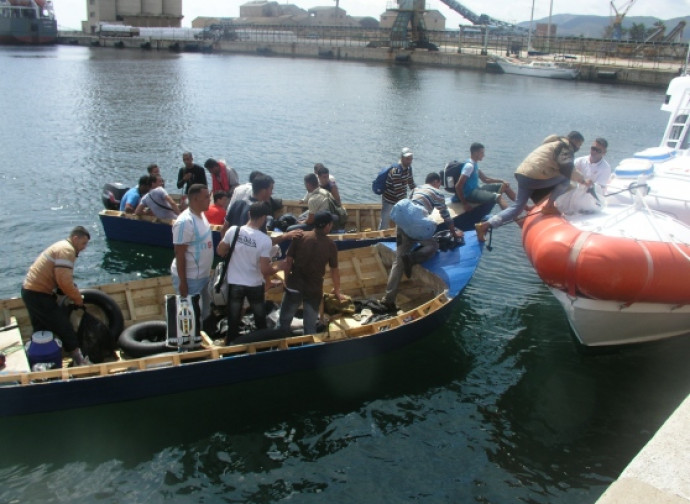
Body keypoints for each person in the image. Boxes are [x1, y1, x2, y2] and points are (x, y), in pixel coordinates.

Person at [475, 131, 586, 241]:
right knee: (566, 179)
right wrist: (583, 180)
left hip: (522, 174)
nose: (578, 147)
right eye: (579, 144)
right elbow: (568, 168)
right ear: (574, 140)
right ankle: (549, 206)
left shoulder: (552, 143)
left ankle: (484, 225)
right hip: (534, 177)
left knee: (517, 208)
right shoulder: (565, 147)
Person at [381, 172, 464, 309]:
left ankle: (388, 299)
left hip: (402, 224)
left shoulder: (416, 189)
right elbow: (446, 216)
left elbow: (408, 210)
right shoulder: (437, 193)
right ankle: (412, 258)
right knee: (433, 245)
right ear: (436, 182)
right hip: (417, 226)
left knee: (398, 260)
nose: (440, 186)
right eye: (439, 184)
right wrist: (454, 233)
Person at [21, 226, 91, 366]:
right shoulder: (67, 250)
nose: (84, 248)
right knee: (64, 327)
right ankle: (79, 361)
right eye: (83, 243)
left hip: (29, 291)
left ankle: (40, 360)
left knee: (41, 330)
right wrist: (78, 300)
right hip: (38, 294)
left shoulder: (60, 246)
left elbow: (59, 280)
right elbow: (64, 282)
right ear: (75, 238)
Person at [217, 202, 282, 344]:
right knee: (259, 318)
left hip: (235, 283)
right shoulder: (264, 240)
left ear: (249, 214)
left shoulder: (234, 230)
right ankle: (262, 346)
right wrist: (279, 267)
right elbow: (265, 270)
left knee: (233, 318)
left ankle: (230, 344)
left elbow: (220, 251)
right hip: (254, 284)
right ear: (264, 218)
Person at [279, 211, 343, 335]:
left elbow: (288, 261)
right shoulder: (330, 245)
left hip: (294, 285)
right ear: (327, 226)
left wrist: (286, 281)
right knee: (310, 328)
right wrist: (337, 289)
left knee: (283, 323)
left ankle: (276, 349)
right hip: (314, 289)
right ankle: (308, 349)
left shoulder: (300, 236)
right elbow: (334, 271)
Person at [171, 184, 214, 321]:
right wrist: (183, 282)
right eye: (206, 197)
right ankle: (189, 340)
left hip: (204, 276)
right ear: (195, 199)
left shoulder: (202, 215)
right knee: (190, 315)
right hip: (190, 278)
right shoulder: (185, 222)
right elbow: (179, 254)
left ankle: (204, 333)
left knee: (206, 310)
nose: (210, 199)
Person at [221, 173, 301, 246]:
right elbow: (265, 243)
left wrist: (228, 248)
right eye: (271, 189)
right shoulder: (259, 212)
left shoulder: (237, 203)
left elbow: (224, 229)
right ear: (263, 191)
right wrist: (286, 236)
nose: (271, 193)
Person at [453, 143, 516, 211]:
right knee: (498, 197)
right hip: (469, 194)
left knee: (505, 186)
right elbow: (458, 186)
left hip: (476, 190)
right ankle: (517, 219)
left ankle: (525, 207)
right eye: (482, 153)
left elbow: (485, 179)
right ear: (476, 153)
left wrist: (502, 181)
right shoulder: (469, 166)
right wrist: (464, 204)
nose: (484, 155)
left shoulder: (474, 164)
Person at [379, 147, 416, 229]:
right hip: (389, 200)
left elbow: (411, 184)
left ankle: (398, 236)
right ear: (402, 158)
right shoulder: (396, 171)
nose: (409, 161)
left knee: (401, 222)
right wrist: (408, 204)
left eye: (410, 159)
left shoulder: (409, 169)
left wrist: (419, 193)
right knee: (384, 223)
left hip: (399, 200)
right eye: (407, 159)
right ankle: (380, 237)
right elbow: (398, 191)